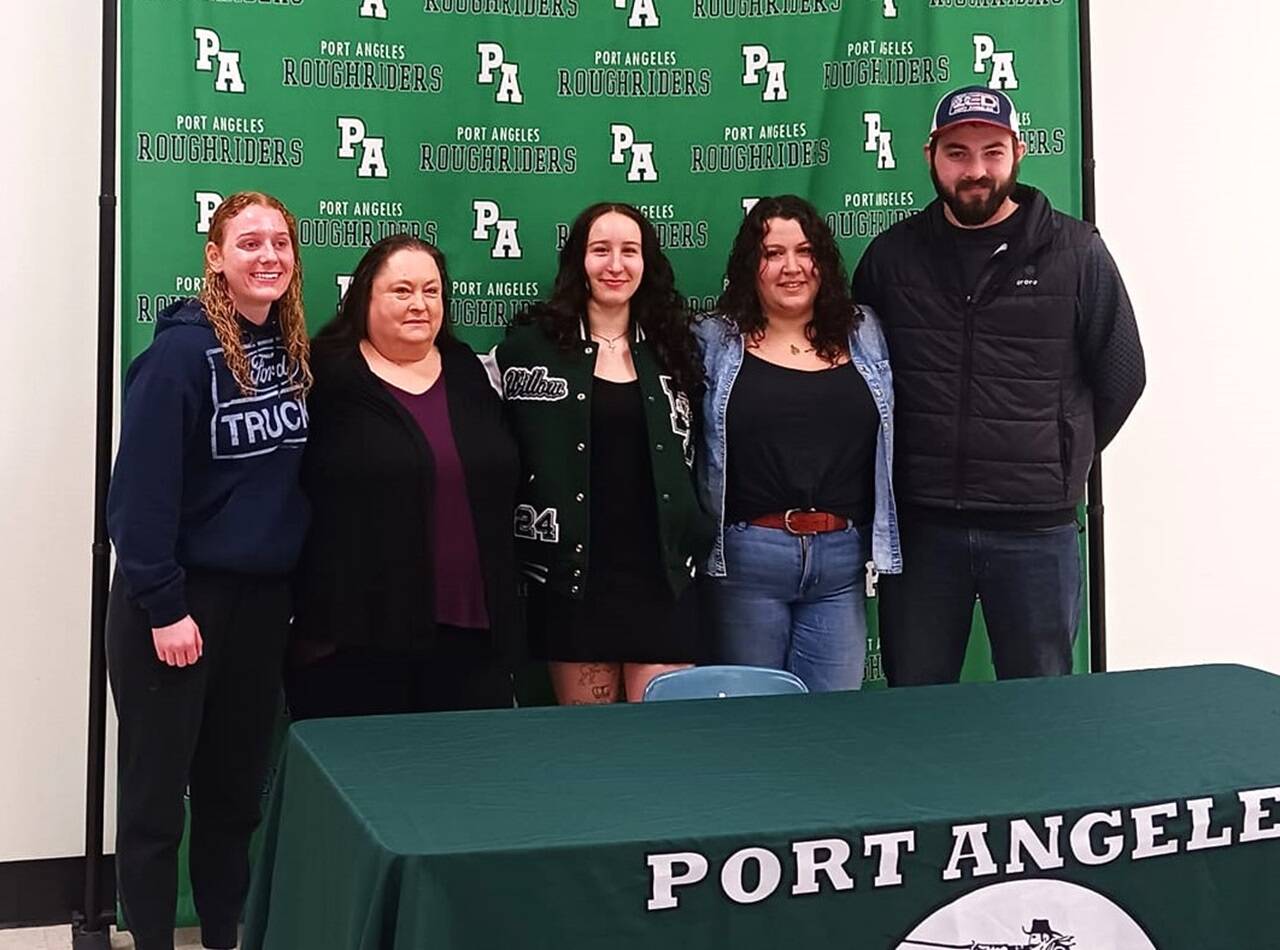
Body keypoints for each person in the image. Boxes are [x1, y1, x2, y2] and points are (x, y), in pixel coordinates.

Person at [852, 85, 1146, 686]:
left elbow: (1121, 377)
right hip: (922, 528)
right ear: (930, 155)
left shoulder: (1078, 252)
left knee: (1038, 713)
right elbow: (862, 384)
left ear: (1019, 152)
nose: (976, 171)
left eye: (992, 152)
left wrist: (1060, 455)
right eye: (958, 153)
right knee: (917, 707)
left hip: (1037, 530)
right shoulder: (891, 258)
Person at [105, 191, 311, 950]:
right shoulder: (179, 358)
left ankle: (225, 933)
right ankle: (153, 939)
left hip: (257, 606)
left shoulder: (289, 353)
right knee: (158, 798)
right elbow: (137, 500)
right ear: (216, 258)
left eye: (280, 244)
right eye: (248, 242)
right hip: (176, 604)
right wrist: (163, 606)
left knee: (233, 794)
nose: (267, 257)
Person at [286, 234, 521, 718]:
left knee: (467, 780)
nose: (420, 305)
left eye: (431, 291)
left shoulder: (466, 372)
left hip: (473, 634)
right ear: (365, 297)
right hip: (358, 642)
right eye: (402, 291)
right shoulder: (323, 376)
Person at [486, 202, 711, 704]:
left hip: (663, 577)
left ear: (647, 262)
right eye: (600, 250)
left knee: (663, 744)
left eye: (629, 251)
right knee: (591, 747)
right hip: (574, 580)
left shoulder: (676, 346)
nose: (615, 265)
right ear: (577, 261)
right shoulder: (531, 348)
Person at [695, 195, 902, 692]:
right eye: (772, 254)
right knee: (754, 726)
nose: (791, 267)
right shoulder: (712, 339)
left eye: (805, 251)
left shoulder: (864, 332)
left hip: (842, 564)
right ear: (751, 266)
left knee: (829, 731)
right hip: (747, 561)